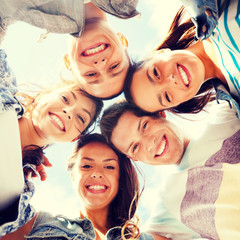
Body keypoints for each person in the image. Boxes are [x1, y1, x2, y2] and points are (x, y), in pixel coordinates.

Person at [100, 100, 240, 239]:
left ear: (160, 113)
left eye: (144, 126)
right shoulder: (169, 201)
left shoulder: (225, 114)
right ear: (134, 158)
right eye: (135, 147)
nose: (149, 144)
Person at [0, 133, 166, 240]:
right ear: (73, 177)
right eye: (86, 166)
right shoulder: (39, 223)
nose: (96, 173)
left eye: (109, 167)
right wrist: (20, 159)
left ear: (121, 179)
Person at [0, 48, 103, 214]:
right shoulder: (2, 83)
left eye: (80, 118)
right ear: (42, 95)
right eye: (65, 98)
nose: (69, 112)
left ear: (74, 138)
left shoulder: (19, 190)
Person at [1, 0, 139, 99]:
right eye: (114, 66)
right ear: (122, 41)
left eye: (91, 75)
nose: (101, 65)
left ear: (68, 62)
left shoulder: (26, 12)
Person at [123, 2, 240, 115]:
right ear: (179, 103)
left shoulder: (213, 9)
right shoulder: (236, 98)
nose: (170, 80)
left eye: (156, 73)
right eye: (167, 97)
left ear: (160, 53)